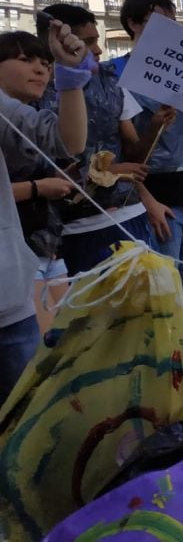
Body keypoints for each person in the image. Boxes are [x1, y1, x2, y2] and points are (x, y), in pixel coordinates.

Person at [37, 4, 163, 276]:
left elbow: (134, 156)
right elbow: (43, 170)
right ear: (56, 42)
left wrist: (155, 126)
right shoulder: (36, 92)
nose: (97, 50)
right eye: (87, 42)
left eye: (97, 41)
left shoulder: (111, 83)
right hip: (71, 230)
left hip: (128, 217)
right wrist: (111, 170)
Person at [116, 0, 183, 332]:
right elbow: (122, 155)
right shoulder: (115, 74)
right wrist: (148, 198)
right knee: (161, 294)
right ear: (133, 24)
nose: (170, 31)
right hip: (153, 194)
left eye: (174, 24)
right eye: (161, 22)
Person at [0, 22, 88, 403]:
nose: (40, 69)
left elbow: (67, 142)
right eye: (25, 60)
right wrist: (38, 188)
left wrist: (70, 79)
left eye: (45, 62)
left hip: (10, 294)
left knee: (28, 407)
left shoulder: (8, 113)